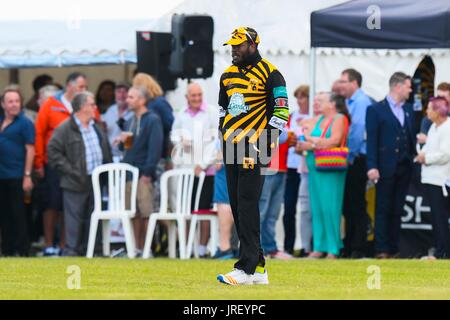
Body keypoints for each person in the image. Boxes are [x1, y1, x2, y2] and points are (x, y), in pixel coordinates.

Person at [217, 27, 289, 285]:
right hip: (231, 148)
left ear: (253, 45)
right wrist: (223, 139)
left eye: (238, 45)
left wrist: (265, 144)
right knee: (237, 206)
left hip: (255, 147)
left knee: (247, 204)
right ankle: (258, 269)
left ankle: (245, 268)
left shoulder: (272, 74)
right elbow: (222, 111)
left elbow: (281, 115)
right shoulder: (227, 75)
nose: (234, 50)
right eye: (232, 46)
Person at [48, 91, 111, 256]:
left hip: (95, 180)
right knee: (74, 220)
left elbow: (104, 151)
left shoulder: (95, 127)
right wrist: (71, 171)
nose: (95, 107)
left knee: (93, 218)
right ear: (82, 107)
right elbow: (53, 152)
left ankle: (91, 251)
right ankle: (72, 252)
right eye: (92, 104)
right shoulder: (65, 128)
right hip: (75, 181)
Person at [34, 71, 88, 256]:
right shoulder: (51, 104)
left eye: (85, 87)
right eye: (81, 87)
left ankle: (66, 245)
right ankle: (49, 244)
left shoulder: (85, 105)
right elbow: (39, 133)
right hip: (54, 163)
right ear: (69, 86)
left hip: (77, 164)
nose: (84, 90)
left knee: (69, 205)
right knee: (52, 204)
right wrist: (39, 162)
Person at [366, 72, 415, 259]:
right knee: (383, 208)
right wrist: (372, 166)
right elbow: (372, 140)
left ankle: (394, 247)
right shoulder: (376, 109)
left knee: (397, 208)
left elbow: (409, 137)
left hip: (404, 166)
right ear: (398, 86)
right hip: (385, 167)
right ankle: (382, 248)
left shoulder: (409, 109)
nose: (410, 90)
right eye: (408, 86)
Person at [297, 93, 350, 259]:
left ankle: (333, 248)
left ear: (332, 104)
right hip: (315, 167)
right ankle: (319, 246)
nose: (317, 104)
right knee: (317, 207)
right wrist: (306, 143)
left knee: (330, 208)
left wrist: (311, 143)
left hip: (331, 169)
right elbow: (304, 137)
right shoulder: (318, 120)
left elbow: (334, 141)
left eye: (320, 101)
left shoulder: (339, 118)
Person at [171, 82, 218, 257]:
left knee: (203, 209)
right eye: (193, 96)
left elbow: (216, 141)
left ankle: (202, 248)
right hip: (187, 169)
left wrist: (204, 164)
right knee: (187, 208)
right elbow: (174, 133)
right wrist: (180, 140)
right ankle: (188, 247)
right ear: (187, 97)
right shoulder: (182, 114)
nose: (197, 99)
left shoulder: (211, 113)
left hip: (206, 170)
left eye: (199, 95)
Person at [119, 86, 163, 256]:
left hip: (143, 174)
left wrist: (147, 172)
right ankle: (136, 249)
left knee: (146, 212)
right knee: (133, 213)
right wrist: (122, 141)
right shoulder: (130, 120)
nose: (127, 100)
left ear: (142, 100)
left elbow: (155, 148)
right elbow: (128, 148)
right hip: (129, 174)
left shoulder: (152, 120)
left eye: (131, 97)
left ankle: (147, 249)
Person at [339, 68, 373, 258]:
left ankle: (358, 246)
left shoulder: (360, 102)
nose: (341, 85)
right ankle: (351, 243)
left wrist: (348, 155)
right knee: (349, 204)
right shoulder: (350, 102)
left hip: (357, 159)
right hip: (353, 157)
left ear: (354, 83)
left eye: (344, 81)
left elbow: (357, 131)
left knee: (356, 203)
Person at [0, 88, 35, 256]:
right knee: (4, 214)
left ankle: (23, 250)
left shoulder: (25, 123)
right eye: (10, 101)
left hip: (16, 175)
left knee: (18, 214)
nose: (14, 105)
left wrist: (27, 175)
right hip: (1, 175)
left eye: (17, 101)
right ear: (3, 104)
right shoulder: (1, 121)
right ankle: (6, 250)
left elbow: (30, 149)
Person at [416, 97, 450, 259]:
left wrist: (426, 158)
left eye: (430, 108)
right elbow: (428, 147)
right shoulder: (434, 127)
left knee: (441, 217)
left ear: (438, 111)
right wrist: (421, 154)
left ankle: (443, 251)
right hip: (430, 178)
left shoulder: (447, 128)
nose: (427, 111)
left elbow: (445, 154)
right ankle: (440, 249)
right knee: (436, 217)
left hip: (440, 180)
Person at [283, 85, 309, 256]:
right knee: (289, 208)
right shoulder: (291, 116)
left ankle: (308, 245)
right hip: (291, 166)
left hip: (307, 167)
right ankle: (288, 245)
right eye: (298, 97)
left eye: (303, 97)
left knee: (308, 208)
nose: (300, 101)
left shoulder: (314, 117)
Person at [259, 130, 292, 259]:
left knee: (273, 213)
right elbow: (280, 136)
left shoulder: (287, 117)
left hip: (281, 167)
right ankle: (258, 248)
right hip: (266, 167)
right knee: (261, 211)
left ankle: (270, 248)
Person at [101, 81, 133, 160]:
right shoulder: (110, 110)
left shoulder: (133, 112)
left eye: (125, 92)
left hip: (127, 155)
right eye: (119, 92)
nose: (121, 95)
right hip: (110, 155)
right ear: (115, 94)